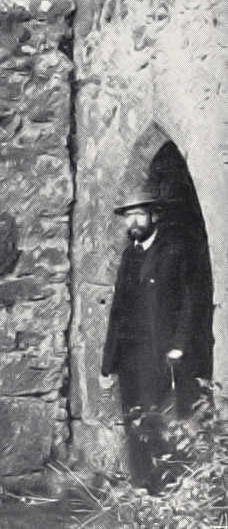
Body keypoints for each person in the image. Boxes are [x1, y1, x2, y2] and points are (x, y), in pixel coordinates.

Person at [99, 178, 212, 493]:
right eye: (128, 216)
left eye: (139, 214)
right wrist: (108, 364)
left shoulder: (175, 251)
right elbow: (118, 311)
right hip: (130, 358)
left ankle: (167, 489)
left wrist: (179, 345)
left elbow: (193, 301)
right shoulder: (129, 256)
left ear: (154, 216)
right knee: (133, 421)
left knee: (160, 419)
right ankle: (142, 487)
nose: (133, 222)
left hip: (161, 354)